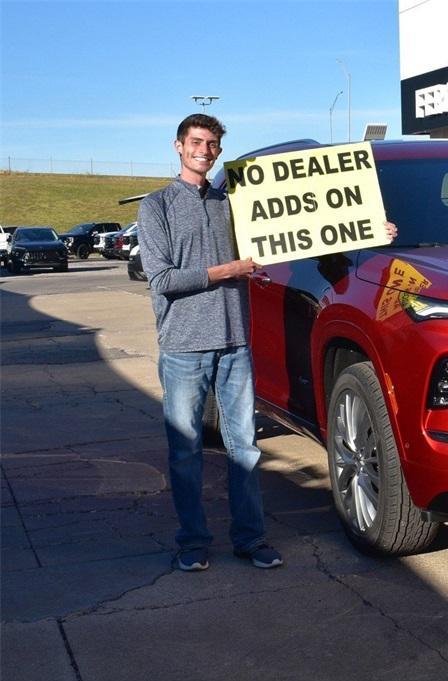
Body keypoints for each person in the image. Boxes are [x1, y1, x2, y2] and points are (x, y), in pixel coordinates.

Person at [139, 113, 396, 572]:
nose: (205, 150)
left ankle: (251, 539)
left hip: (236, 342)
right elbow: (161, 280)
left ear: (219, 150)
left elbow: (296, 229)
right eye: (196, 142)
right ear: (179, 146)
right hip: (183, 347)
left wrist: (370, 231)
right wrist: (228, 271)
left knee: (246, 448)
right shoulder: (156, 206)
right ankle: (193, 543)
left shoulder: (234, 203)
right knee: (186, 451)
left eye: (213, 143)